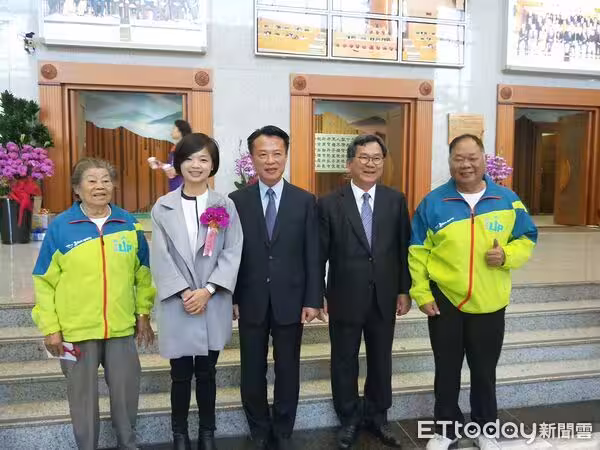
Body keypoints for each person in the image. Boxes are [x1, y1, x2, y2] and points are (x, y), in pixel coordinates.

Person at [408, 134, 537, 450]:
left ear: (483, 159)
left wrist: (507, 255)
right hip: (445, 300)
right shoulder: (433, 203)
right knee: (446, 371)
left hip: (490, 300)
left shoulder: (507, 199)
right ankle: (446, 430)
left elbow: (527, 238)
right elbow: (417, 251)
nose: (465, 164)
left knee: (484, 372)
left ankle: (486, 429)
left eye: (472, 158)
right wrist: (422, 293)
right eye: (458, 159)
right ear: (450, 161)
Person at [32, 157, 155, 450]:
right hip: (75, 330)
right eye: (91, 181)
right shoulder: (61, 227)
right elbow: (43, 281)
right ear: (77, 188)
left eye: (106, 180)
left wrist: (143, 314)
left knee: (126, 394)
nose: (100, 186)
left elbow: (143, 274)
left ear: (113, 185)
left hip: (120, 327)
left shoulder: (129, 223)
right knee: (82, 399)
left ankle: (128, 444)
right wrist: (51, 328)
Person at [229, 125, 321, 449]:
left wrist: (313, 298)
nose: (270, 161)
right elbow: (230, 254)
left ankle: (283, 429)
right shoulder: (236, 201)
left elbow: (313, 253)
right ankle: (258, 428)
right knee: (252, 369)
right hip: (250, 299)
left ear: (286, 156)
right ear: (252, 158)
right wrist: (232, 296)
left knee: (287, 368)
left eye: (277, 154)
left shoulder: (305, 200)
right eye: (263, 154)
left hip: (291, 299)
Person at [318, 134, 411, 449]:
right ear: (350, 163)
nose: (371, 164)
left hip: (384, 294)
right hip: (344, 295)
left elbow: (402, 249)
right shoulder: (330, 203)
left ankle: (378, 417)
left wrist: (404, 290)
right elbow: (318, 254)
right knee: (344, 359)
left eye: (377, 158)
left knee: (381, 359)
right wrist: (318, 294)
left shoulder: (395, 200)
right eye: (364, 157)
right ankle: (348, 418)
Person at [150, 133, 243, 450]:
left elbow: (233, 250)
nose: (196, 165)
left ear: (212, 165)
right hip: (178, 303)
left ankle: (207, 433)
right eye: (189, 158)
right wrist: (185, 293)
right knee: (179, 373)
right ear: (179, 163)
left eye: (204, 159)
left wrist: (209, 290)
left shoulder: (224, 205)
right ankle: (179, 434)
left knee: (207, 372)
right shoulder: (163, 206)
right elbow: (160, 256)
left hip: (211, 301)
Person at [149, 120, 191, 191]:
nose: (171, 132)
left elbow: (190, 165)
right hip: (174, 186)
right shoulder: (174, 147)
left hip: (185, 187)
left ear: (180, 131)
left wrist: (176, 171)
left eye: (174, 128)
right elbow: (172, 166)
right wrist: (160, 164)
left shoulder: (187, 146)